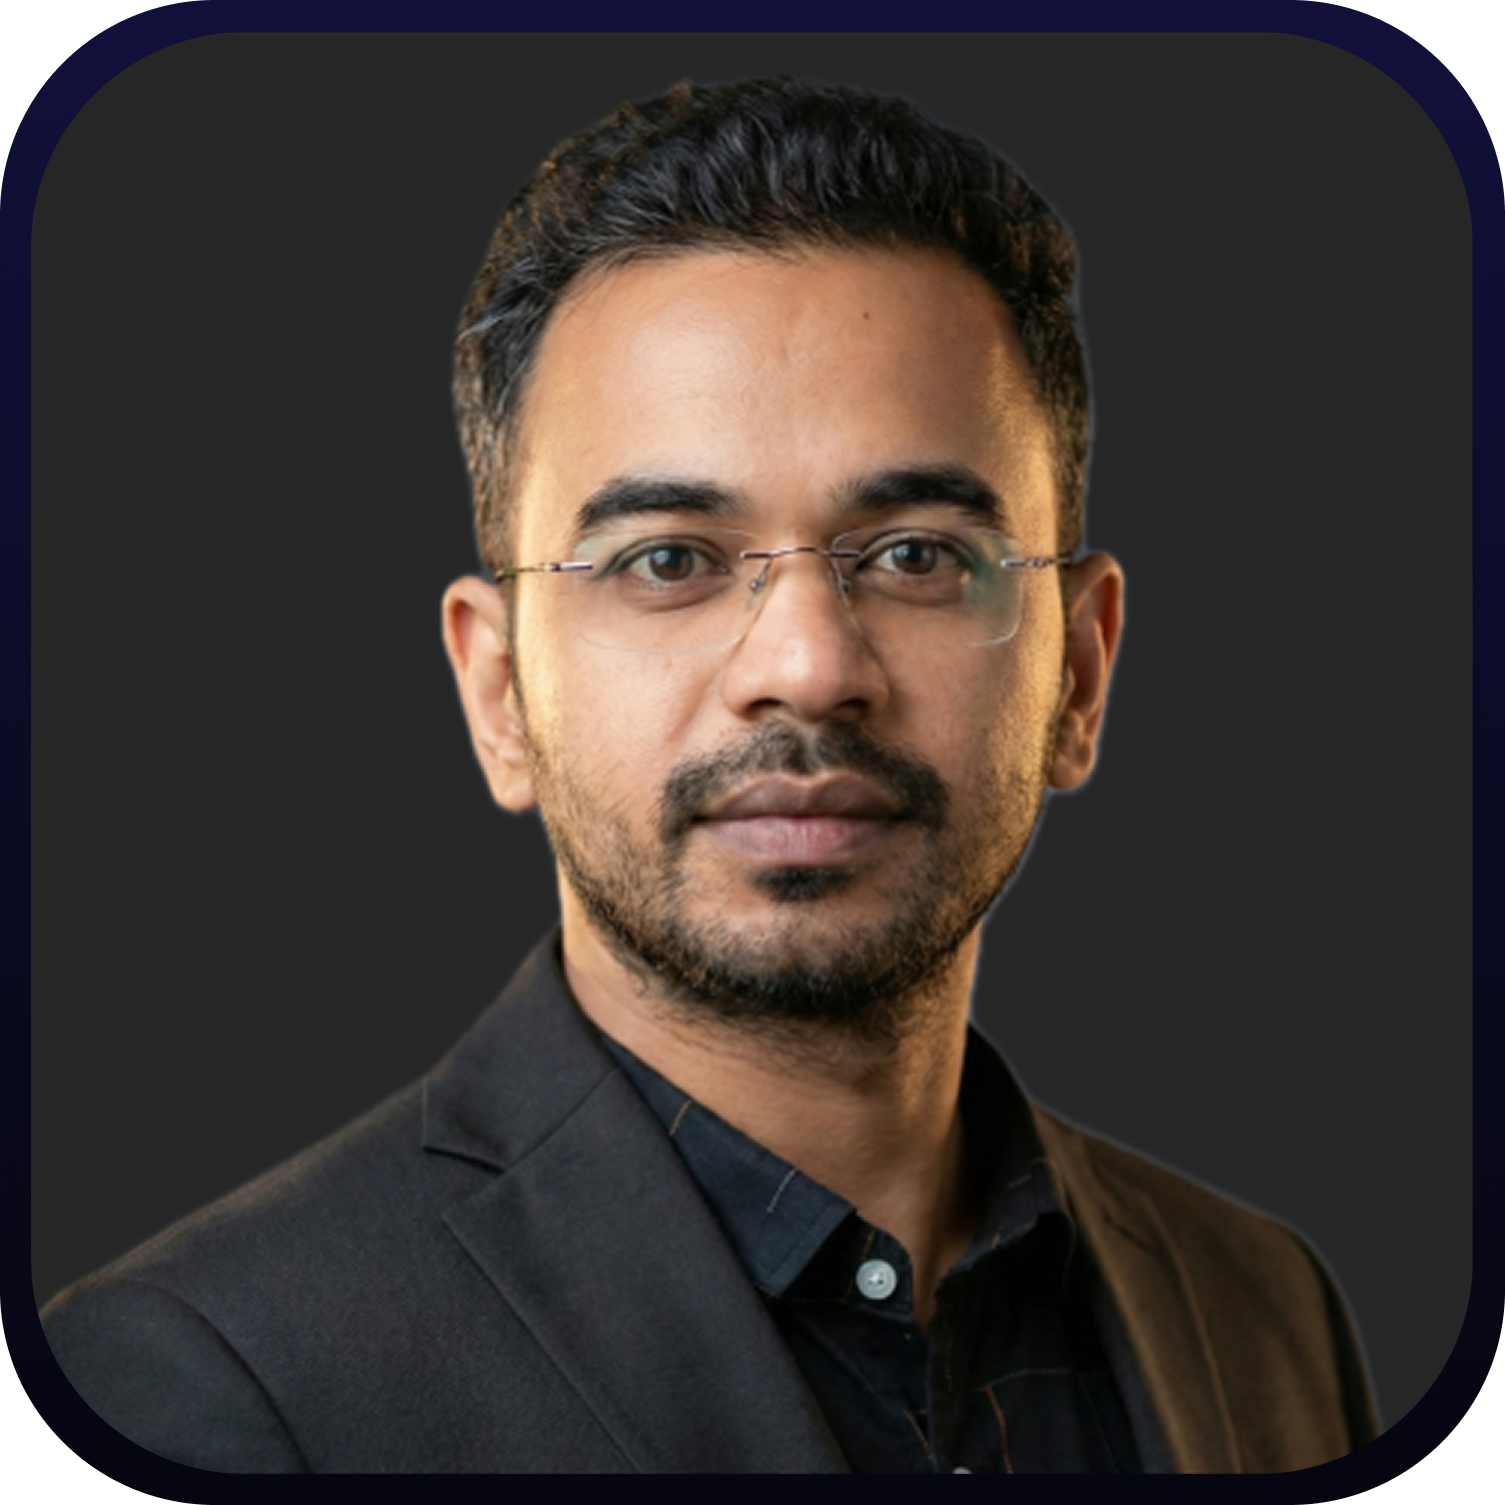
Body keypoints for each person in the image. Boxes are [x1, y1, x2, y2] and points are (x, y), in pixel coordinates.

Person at [40, 77, 1376, 1474]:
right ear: (498, 690)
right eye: (668, 559)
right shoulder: (194, 1390)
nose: (805, 665)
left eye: (917, 552)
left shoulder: (1263, 1308)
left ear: (1081, 675)